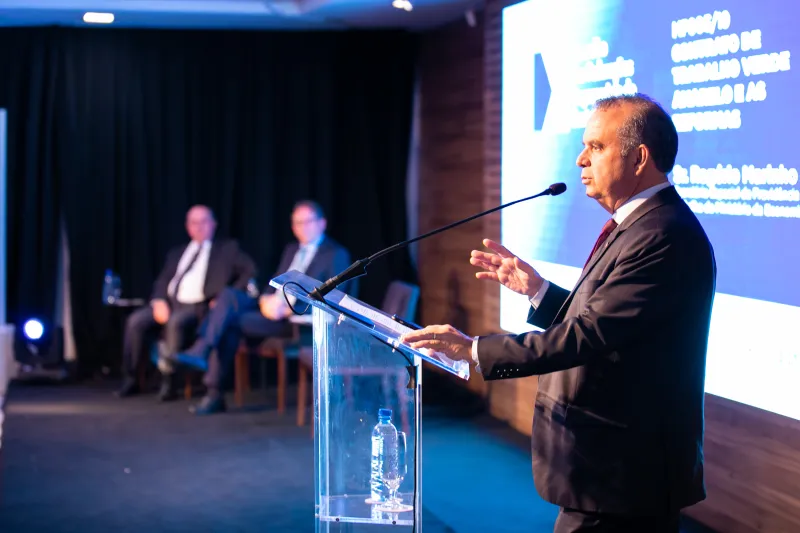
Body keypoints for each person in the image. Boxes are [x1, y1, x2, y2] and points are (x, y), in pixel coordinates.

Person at [402, 94, 717, 533]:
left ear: (640, 157)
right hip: (609, 472)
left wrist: (475, 350)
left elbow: (590, 335)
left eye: (597, 147)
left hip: (624, 475)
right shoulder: (641, 225)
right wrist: (537, 290)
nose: (580, 159)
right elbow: (609, 322)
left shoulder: (663, 235)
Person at [174, 199, 357, 415]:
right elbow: (275, 282)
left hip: (299, 321)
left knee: (227, 320)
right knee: (228, 299)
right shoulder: (292, 250)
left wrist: (288, 309)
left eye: (308, 222)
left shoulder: (335, 254)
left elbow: (334, 300)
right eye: (297, 223)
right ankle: (211, 383)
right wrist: (265, 301)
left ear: (322, 224)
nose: (302, 228)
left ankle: (205, 359)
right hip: (273, 313)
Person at [116, 205, 256, 401]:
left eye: (203, 222)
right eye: (193, 223)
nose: (198, 227)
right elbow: (162, 280)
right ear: (187, 226)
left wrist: (224, 296)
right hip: (170, 302)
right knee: (135, 321)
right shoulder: (177, 252)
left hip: (198, 306)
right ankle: (130, 378)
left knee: (176, 322)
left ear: (213, 224)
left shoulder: (227, 249)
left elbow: (250, 272)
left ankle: (170, 381)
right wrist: (158, 301)